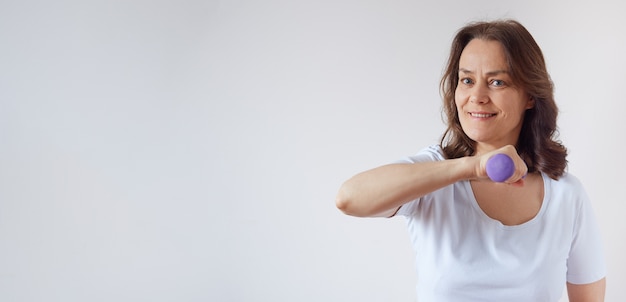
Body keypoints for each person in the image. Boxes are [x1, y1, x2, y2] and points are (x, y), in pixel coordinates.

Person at [335, 19, 606, 301]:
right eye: (467, 80)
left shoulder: (566, 195)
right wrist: (473, 167)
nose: (477, 97)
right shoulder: (434, 175)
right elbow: (348, 199)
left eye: (496, 82)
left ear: (530, 97)